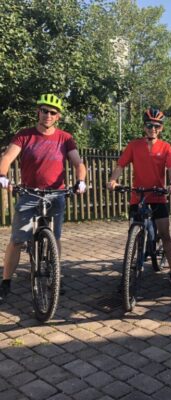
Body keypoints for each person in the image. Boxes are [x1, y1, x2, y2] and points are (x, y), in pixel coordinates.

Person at [0, 94, 87, 303]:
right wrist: (2, 175)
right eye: (44, 111)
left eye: (52, 112)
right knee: (17, 240)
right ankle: (6, 281)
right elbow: (7, 157)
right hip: (29, 193)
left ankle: (55, 277)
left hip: (56, 194)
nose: (48, 115)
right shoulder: (25, 135)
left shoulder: (65, 138)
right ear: (38, 112)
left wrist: (81, 180)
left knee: (55, 238)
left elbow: (78, 163)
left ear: (58, 117)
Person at [107, 107, 171, 290]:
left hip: (158, 196)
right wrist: (112, 180)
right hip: (138, 195)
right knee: (133, 234)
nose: (153, 129)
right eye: (149, 125)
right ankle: (128, 275)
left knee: (165, 234)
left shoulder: (166, 147)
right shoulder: (134, 145)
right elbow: (120, 165)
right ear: (144, 127)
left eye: (157, 126)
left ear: (161, 128)